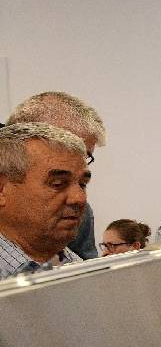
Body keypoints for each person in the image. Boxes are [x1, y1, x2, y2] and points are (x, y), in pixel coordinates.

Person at [6, 91, 107, 259]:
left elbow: (88, 278)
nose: (78, 199)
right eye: (69, 147)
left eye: (85, 155)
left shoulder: (80, 215)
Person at [0, 123, 91, 279]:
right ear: (2, 190)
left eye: (82, 184)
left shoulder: (83, 271)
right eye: (58, 184)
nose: (79, 198)